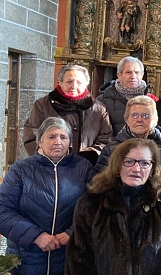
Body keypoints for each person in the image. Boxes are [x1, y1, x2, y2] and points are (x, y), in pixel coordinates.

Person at [66, 139, 161, 274]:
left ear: (153, 169)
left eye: (144, 163)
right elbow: (79, 258)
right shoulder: (91, 202)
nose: (136, 168)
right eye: (128, 161)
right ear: (117, 166)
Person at [0, 117, 94, 275]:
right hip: (26, 257)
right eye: (51, 136)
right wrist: (36, 236)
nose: (58, 141)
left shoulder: (83, 168)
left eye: (63, 137)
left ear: (70, 142)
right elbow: (3, 210)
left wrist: (72, 232)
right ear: (39, 141)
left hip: (68, 257)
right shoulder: (21, 170)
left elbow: (94, 207)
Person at [23, 64, 112, 163]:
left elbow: (105, 139)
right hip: (49, 165)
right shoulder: (42, 105)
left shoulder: (99, 109)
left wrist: (86, 157)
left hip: (87, 166)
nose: (73, 86)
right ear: (60, 82)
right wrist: (50, 156)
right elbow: (32, 135)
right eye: (69, 81)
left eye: (79, 82)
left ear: (87, 84)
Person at [95, 95, 161, 172]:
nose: (139, 120)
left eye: (145, 116)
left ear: (154, 120)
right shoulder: (111, 150)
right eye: (134, 115)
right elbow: (102, 180)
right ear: (127, 119)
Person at [97, 56, 158, 135]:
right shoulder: (102, 100)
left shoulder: (151, 100)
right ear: (119, 75)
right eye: (128, 72)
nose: (133, 76)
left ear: (142, 75)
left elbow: (157, 128)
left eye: (137, 72)